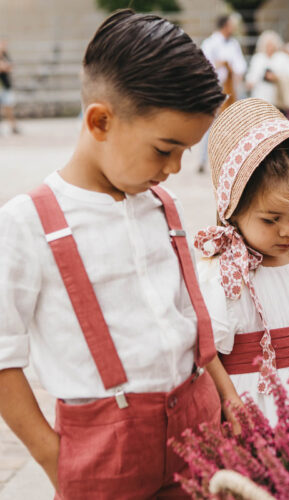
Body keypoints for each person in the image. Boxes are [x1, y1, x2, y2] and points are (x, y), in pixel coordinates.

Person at [0, 10, 225, 499]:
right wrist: (54, 457)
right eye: (165, 148)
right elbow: (2, 356)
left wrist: (226, 403)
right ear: (100, 121)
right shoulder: (26, 223)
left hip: (198, 426)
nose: (176, 167)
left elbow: (189, 321)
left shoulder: (164, 206)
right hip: (103, 451)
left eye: (186, 150)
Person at [194, 98, 289, 441]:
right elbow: (208, 353)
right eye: (270, 219)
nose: (287, 231)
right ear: (232, 209)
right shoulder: (223, 275)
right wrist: (229, 403)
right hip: (254, 416)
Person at [199, 14, 247, 173]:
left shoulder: (234, 44)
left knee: (232, 124)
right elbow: (205, 63)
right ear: (225, 26)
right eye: (231, 25)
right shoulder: (210, 43)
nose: (233, 28)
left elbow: (240, 65)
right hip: (215, 87)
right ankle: (203, 160)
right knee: (210, 122)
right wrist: (221, 64)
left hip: (231, 88)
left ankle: (231, 159)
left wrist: (236, 73)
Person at [245, 31, 289, 114]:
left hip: (279, 100)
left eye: (271, 44)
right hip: (261, 98)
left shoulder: (283, 58)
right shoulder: (258, 58)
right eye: (267, 45)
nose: (269, 47)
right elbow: (252, 76)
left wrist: (277, 77)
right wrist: (250, 83)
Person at [0, 38, 20, 135]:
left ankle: (13, 127)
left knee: (9, 108)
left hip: (6, 86)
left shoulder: (6, 55)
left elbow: (10, 66)